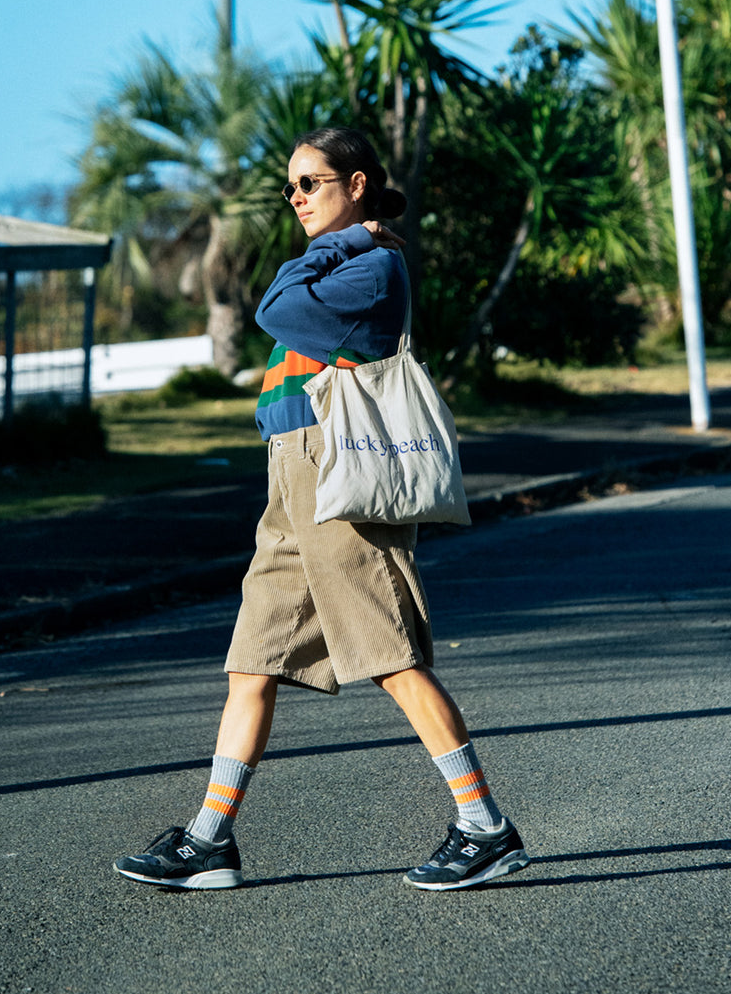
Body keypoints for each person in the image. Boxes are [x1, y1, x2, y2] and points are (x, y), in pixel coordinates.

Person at [113, 126, 529, 892]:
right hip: (290, 475)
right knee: (253, 661)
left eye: (312, 183)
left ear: (358, 185)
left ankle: (485, 826)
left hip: (338, 474)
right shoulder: (340, 260)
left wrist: (336, 247)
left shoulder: (370, 267)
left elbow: (273, 306)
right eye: (291, 186)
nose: (296, 198)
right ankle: (210, 839)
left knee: (390, 656)